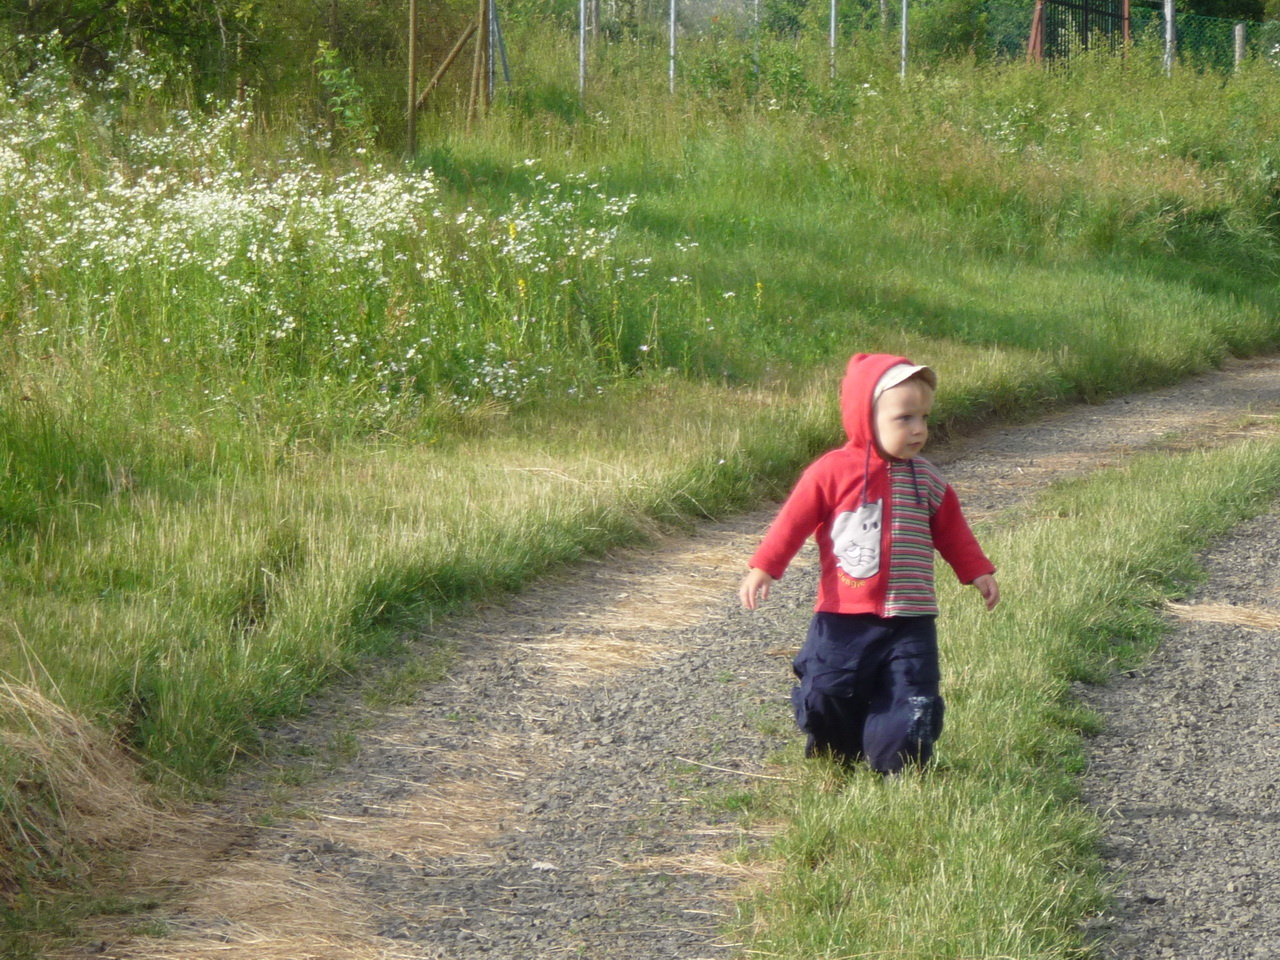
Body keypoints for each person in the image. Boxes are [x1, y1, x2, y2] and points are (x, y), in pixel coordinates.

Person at [738, 352, 999, 774]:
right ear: (866, 417)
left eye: (924, 418)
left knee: (913, 698)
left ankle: (900, 770)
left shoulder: (927, 479)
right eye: (904, 418)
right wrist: (765, 565)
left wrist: (977, 570)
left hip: (911, 619)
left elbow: (953, 531)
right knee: (829, 693)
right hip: (843, 616)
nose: (918, 430)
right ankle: (835, 758)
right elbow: (792, 521)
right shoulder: (832, 472)